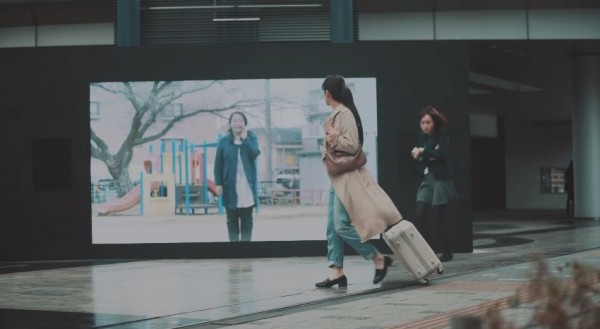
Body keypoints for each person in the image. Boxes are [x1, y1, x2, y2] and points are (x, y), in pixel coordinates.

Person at [315, 74, 401, 288]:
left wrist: (332, 137)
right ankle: (337, 271)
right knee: (332, 228)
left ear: (327, 93)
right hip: (337, 177)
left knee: (341, 226)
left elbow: (353, 146)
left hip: (347, 178)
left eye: (323, 93)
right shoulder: (337, 114)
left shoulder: (344, 113)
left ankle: (377, 258)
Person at [411, 106, 458, 262]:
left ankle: (447, 250)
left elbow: (439, 154)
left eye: (428, 122)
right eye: (422, 122)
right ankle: (426, 250)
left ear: (435, 123)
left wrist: (423, 151)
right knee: (419, 214)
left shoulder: (442, 135)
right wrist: (426, 154)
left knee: (435, 219)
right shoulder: (421, 136)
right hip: (426, 179)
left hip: (440, 180)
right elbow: (425, 157)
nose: (425, 125)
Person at [214, 111, 261, 242]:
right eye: (235, 121)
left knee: (247, 220)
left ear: (245, 123)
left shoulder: (251, 138)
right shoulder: (224, 141)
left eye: (240, 121)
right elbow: (218, 164)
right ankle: (234, 249)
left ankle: (246, 248)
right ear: (230, 123)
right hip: (230, 187)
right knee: (231, 220)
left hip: (247, 187)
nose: (238, 123)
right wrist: (218, 183)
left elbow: (254, 154)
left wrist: (245, 139)